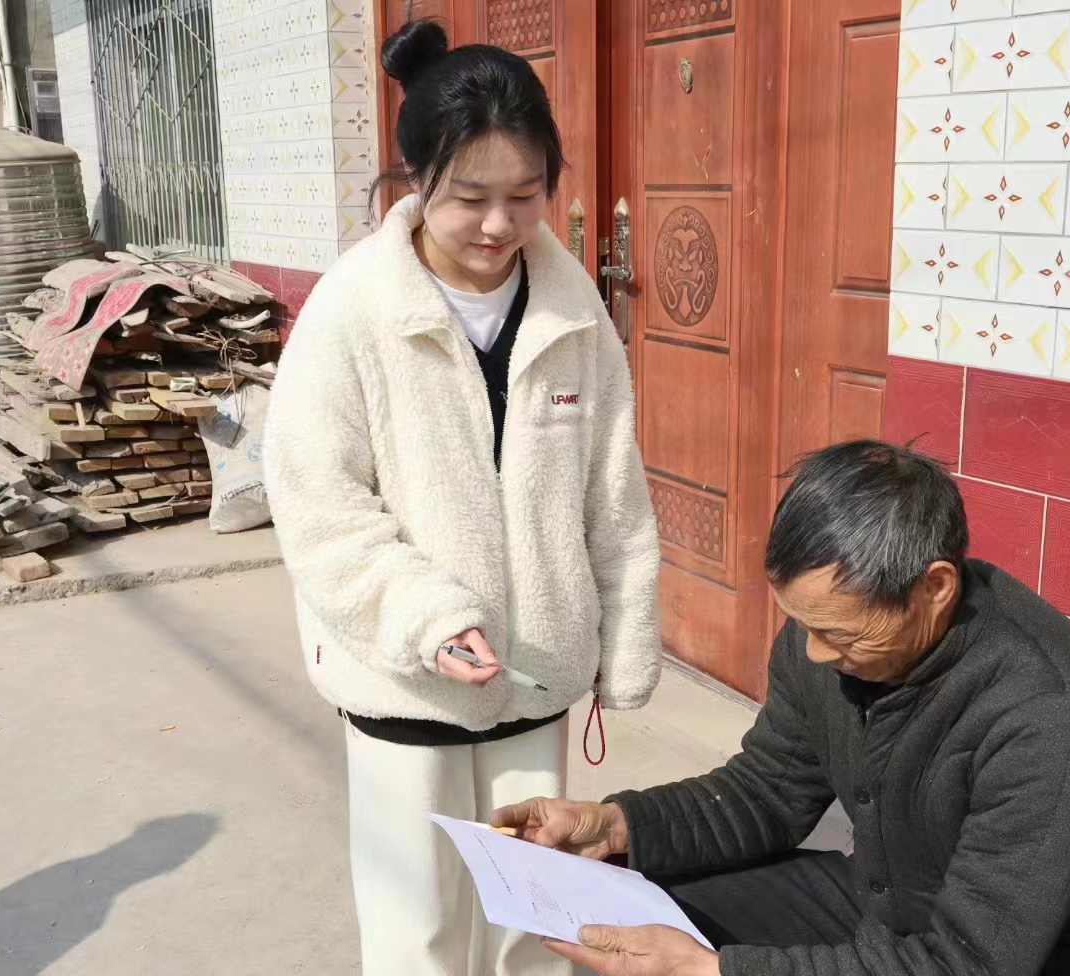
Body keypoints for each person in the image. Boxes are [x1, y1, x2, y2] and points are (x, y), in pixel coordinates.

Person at [263, 18, 661, 976]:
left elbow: (614, 488)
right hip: (401, 676)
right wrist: (425, 614)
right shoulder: (354, 308)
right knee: (422, 929)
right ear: (414, 184)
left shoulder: (573, 312)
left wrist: (624, 629)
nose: (498, 226)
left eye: (524, 197)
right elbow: (317, 501)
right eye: (469, 197)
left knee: (535, 914)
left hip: (533, 675)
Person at [495, 441, 1070, 976]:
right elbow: (768, 792)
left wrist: (716, 970)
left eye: (840, 633)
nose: (815, 654)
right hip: (890, 905)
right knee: (627, 927)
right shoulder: (826, 639)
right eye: (802, 624)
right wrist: (615, 826)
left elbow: (970, 964)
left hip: (1049, 960)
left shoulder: (1048, 721)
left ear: (935, 588)